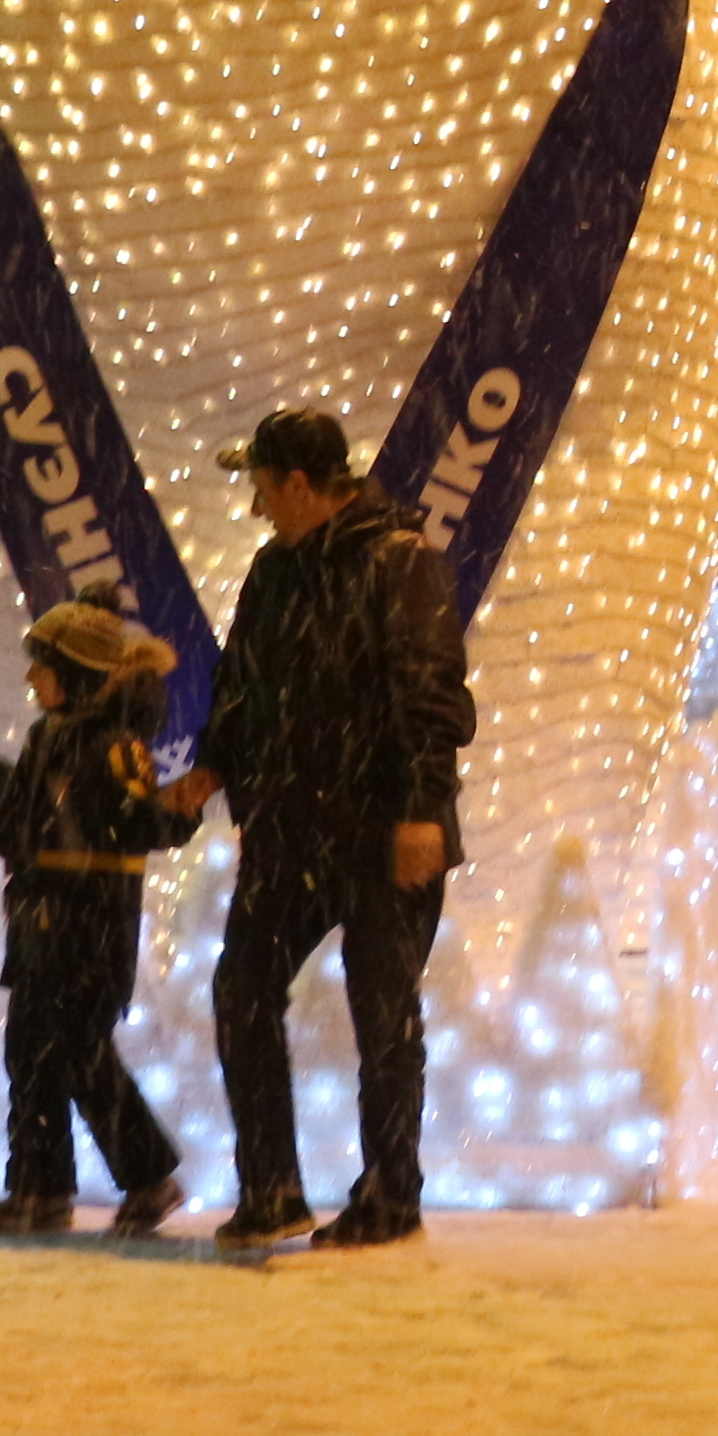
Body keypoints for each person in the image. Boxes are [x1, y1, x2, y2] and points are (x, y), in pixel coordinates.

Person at [200, 405, 477, 1250]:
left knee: (383, 1013)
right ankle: (272, 1189)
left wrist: (421, 812)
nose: (255, 508)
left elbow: (429, 697)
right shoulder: (273, 572)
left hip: (383, 828)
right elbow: (240, 690)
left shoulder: (401, 563)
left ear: (298, 483)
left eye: (262, 487)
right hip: (291, 831)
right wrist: (213, 769)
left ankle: (391, 1194)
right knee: (242, 987)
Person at [0, 600, 201, 1237]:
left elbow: (140, 818)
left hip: (89, 926)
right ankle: (41, 1189)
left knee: (78, 1053)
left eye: (44, 667)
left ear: (77, 674)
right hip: (42, 921)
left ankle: (143, 1179)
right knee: (34, 1053)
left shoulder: (113, 746)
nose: (32, 679)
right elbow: (38, 808)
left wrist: (181, 808)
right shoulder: (54, 735)